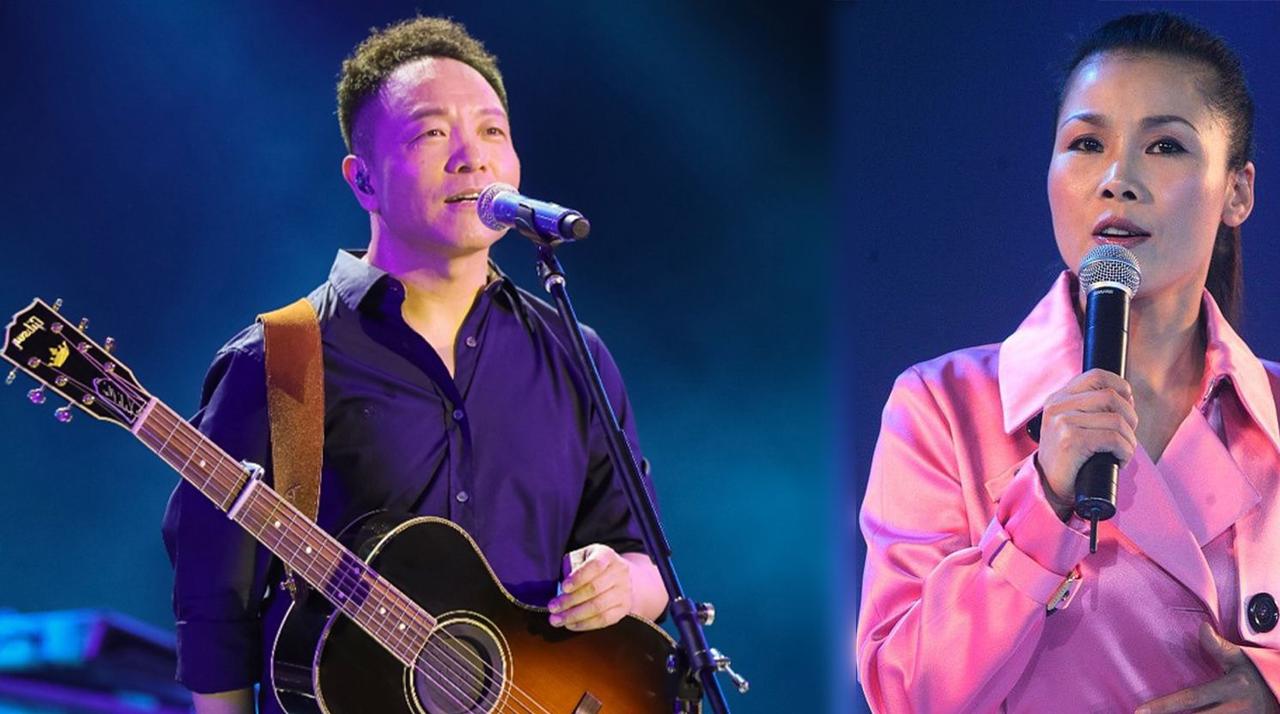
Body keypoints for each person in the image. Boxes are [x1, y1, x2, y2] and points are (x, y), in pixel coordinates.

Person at [160, 16, 667, 714]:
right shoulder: (277, 362)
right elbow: (215, 616)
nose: (471, 158)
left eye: (492, 131)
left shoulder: (575, 352)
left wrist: (621, 585)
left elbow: (646, 564)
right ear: (363, 180)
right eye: (431, 133)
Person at [856, 12, 1280, 713]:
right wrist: (1044, 502)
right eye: (1087, 143)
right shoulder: (942, 407)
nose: (1118, 179)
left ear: (1238, 191)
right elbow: (903, 692)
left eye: (1165, 146)